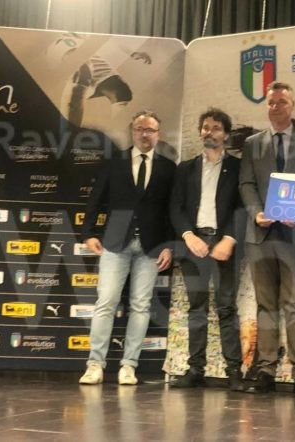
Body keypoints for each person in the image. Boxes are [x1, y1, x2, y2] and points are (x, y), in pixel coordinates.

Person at [79, 110, 176, 385]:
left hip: (152, 245)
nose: (145, 134)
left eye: (150, 130)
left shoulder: (169, 168)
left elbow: (172, 210)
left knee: (141, 306)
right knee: (106, 301)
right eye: (140, 129)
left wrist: (169, 245)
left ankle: (129, 366)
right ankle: (95, 365)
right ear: (132, 131)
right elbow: (96, 199)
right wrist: (88, 233)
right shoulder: (114, 162)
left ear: (158, 134)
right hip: (115, 241)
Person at [238, 81, 295, 397]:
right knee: (266, 305)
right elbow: (246, 183)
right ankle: (266, 371)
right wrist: (256, 212)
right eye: (271, 102)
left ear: (293, 105)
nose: (276, 107)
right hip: (260, 235)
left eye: (282, 102)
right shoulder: (252, 144)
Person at [169, 108, 244, 391]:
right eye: (205, 127)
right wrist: (188, 236)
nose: (209, 132)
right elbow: (175, 207)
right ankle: (195, 370)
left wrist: (229, 239)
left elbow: (242, 207)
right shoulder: (185, 168)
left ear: (226, 134)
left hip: (225, 244)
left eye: (216, 128)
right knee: (196, 308)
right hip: (194, 244)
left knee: (227, 308)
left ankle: (234, 372)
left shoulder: (238, 168)